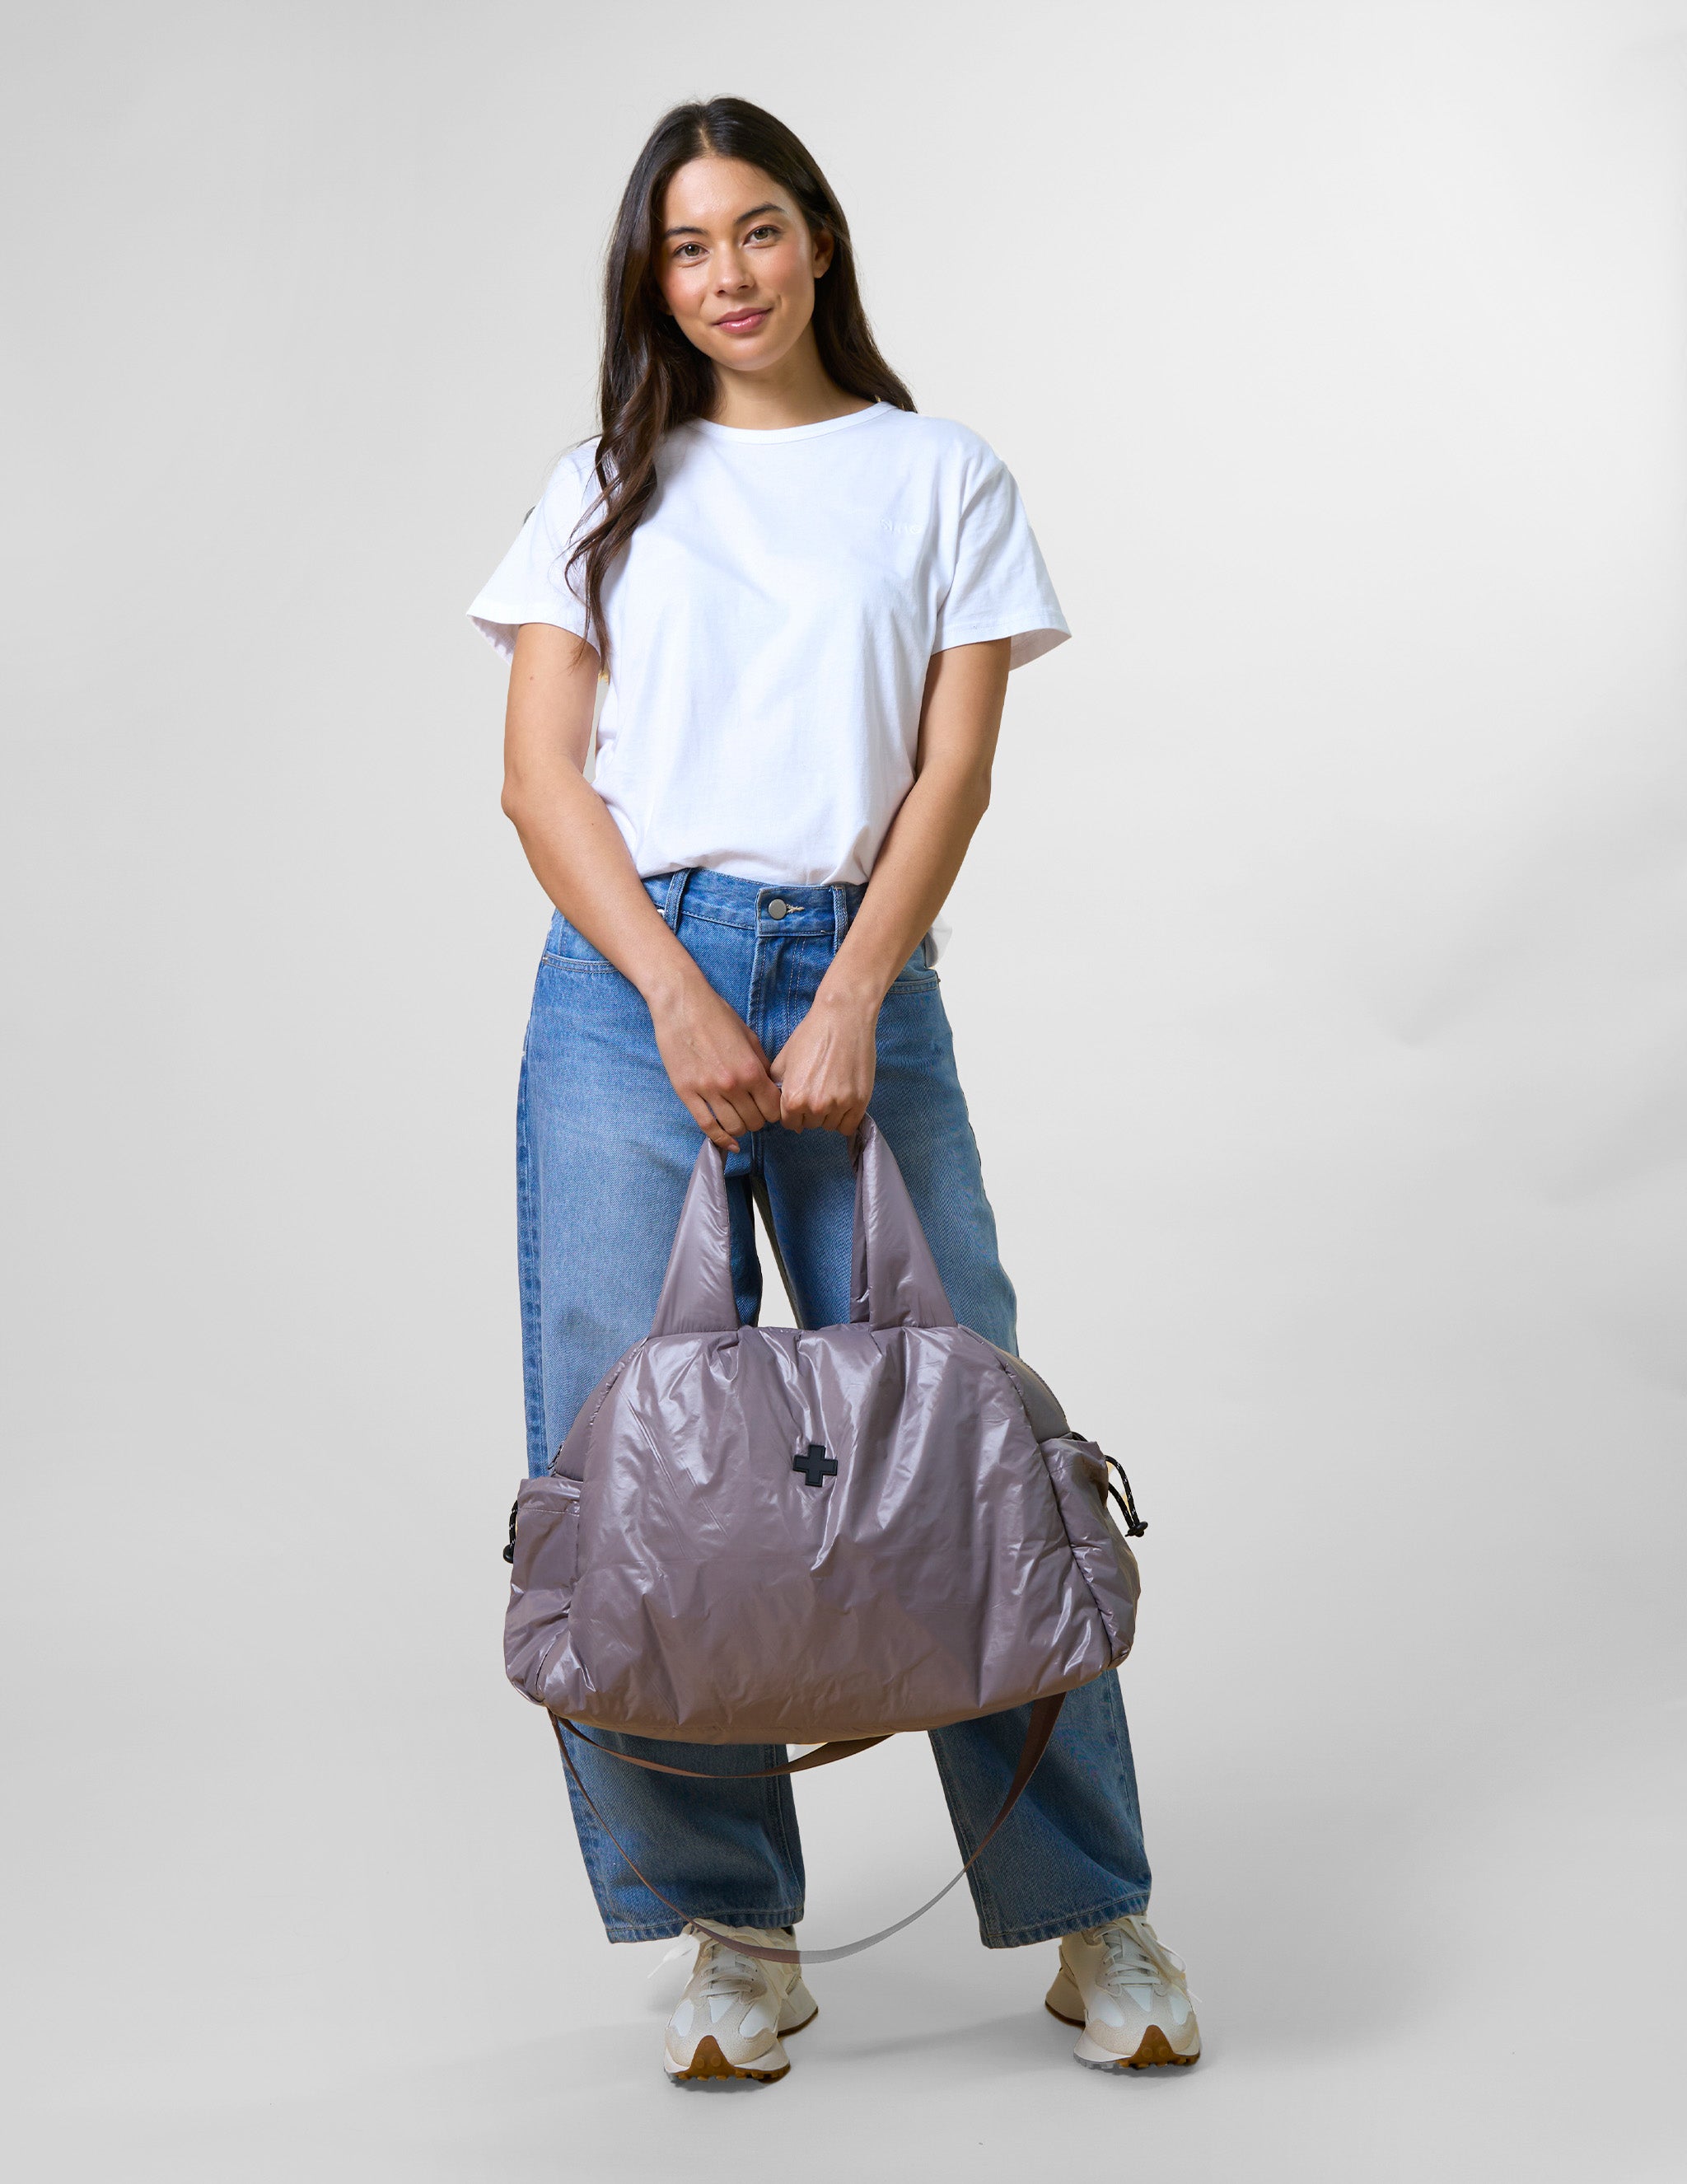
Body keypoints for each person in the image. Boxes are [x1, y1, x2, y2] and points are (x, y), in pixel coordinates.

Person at [468, 96, 1199, 2084]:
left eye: (759, 230)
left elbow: (952, 769)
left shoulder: (937, 473)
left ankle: (1093, 1912)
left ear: (818, 241)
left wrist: (855, 986)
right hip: (629, 991)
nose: (729, 274)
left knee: (968, 1442)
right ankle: (735, 1930)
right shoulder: (598, 491)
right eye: (687, 245)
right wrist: (674, 995)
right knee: (635, 1469)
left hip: (857, 970)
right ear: (652, 280)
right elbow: (539, 781)